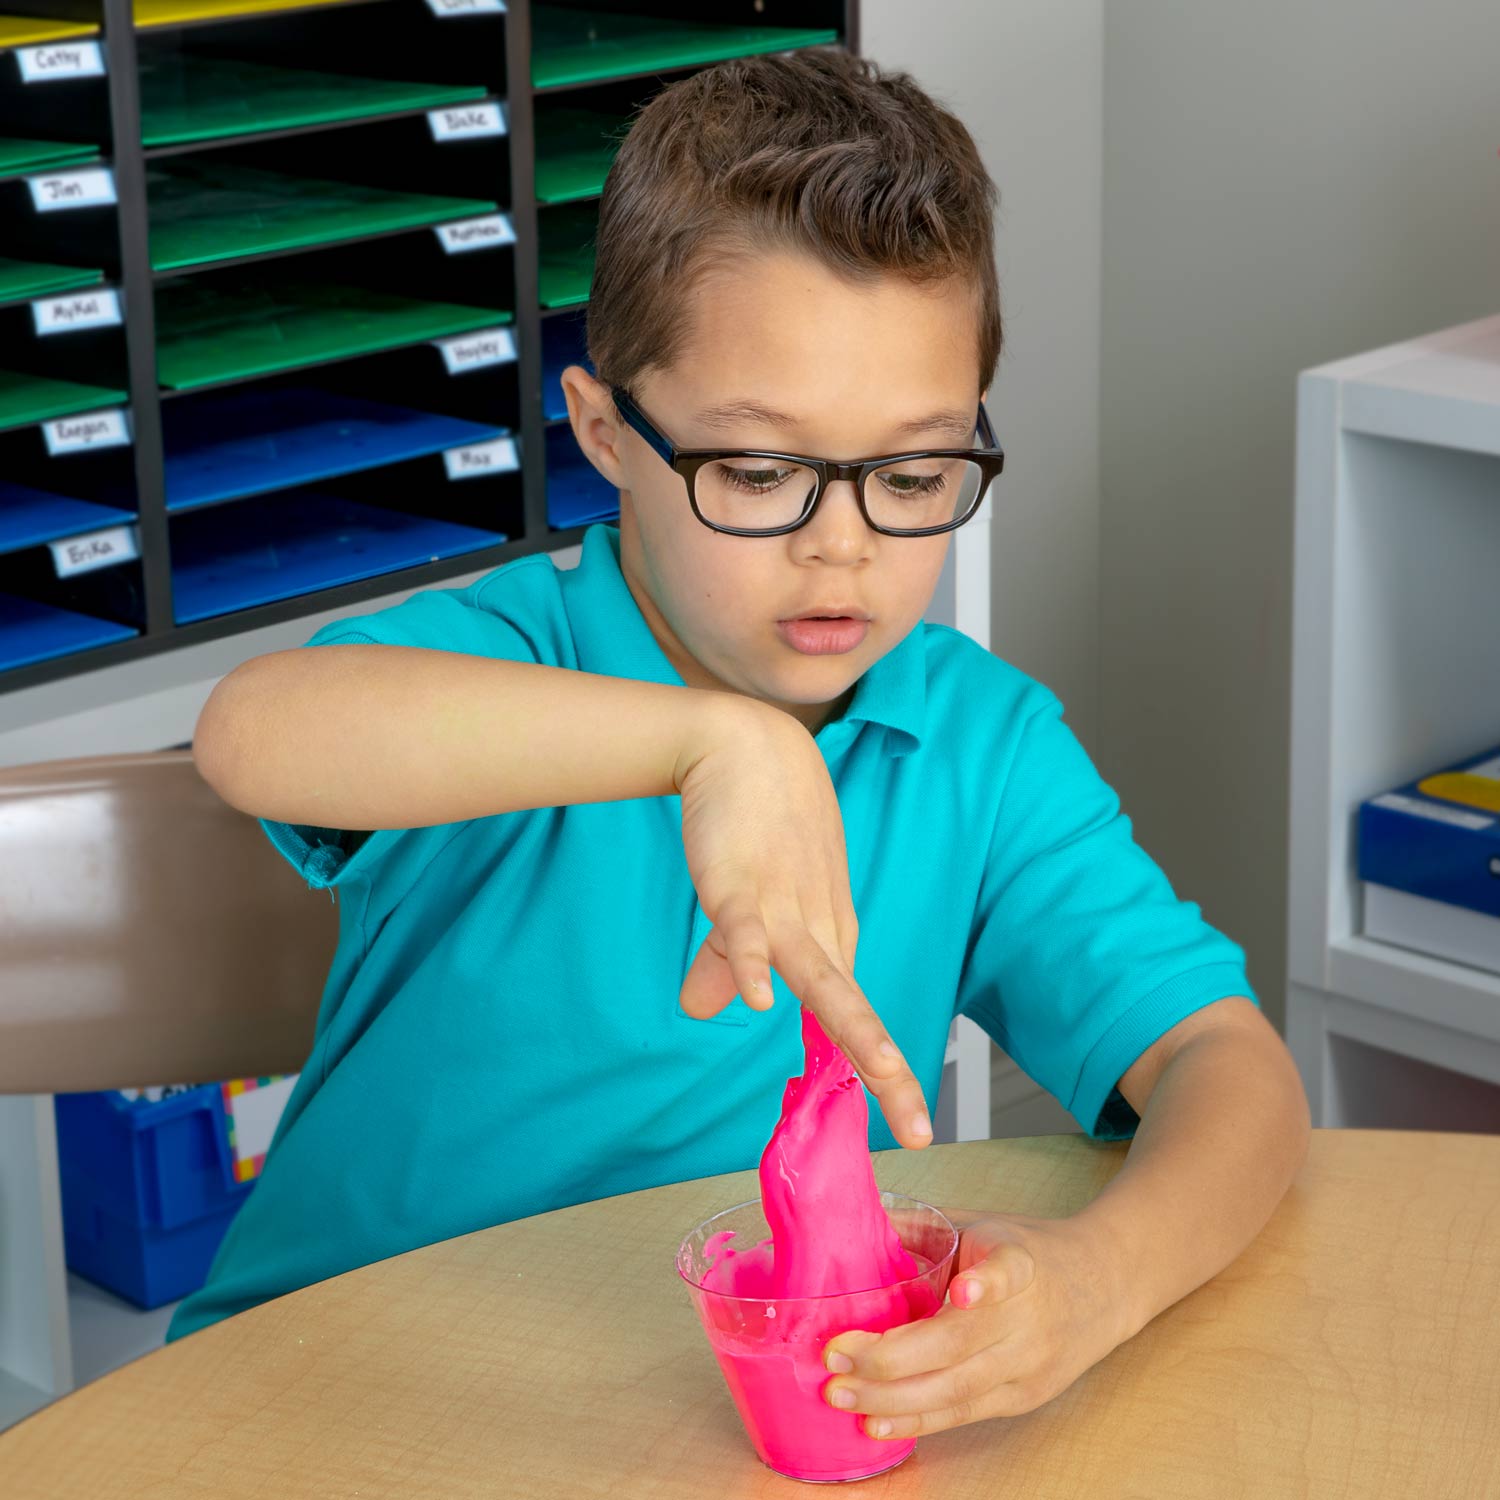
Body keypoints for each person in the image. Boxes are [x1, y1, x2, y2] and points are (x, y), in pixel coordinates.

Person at [168, 46, 1310, 1440]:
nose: (843, 547)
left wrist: (1099, 1282)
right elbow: (257, 731)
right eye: (760, 473)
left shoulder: (978, 747)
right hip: (321, 1403)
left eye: (913, 473)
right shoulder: (523, 656)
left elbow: (1229, 1070)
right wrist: (722, 748)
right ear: (607, 430)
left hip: (692, 1426)